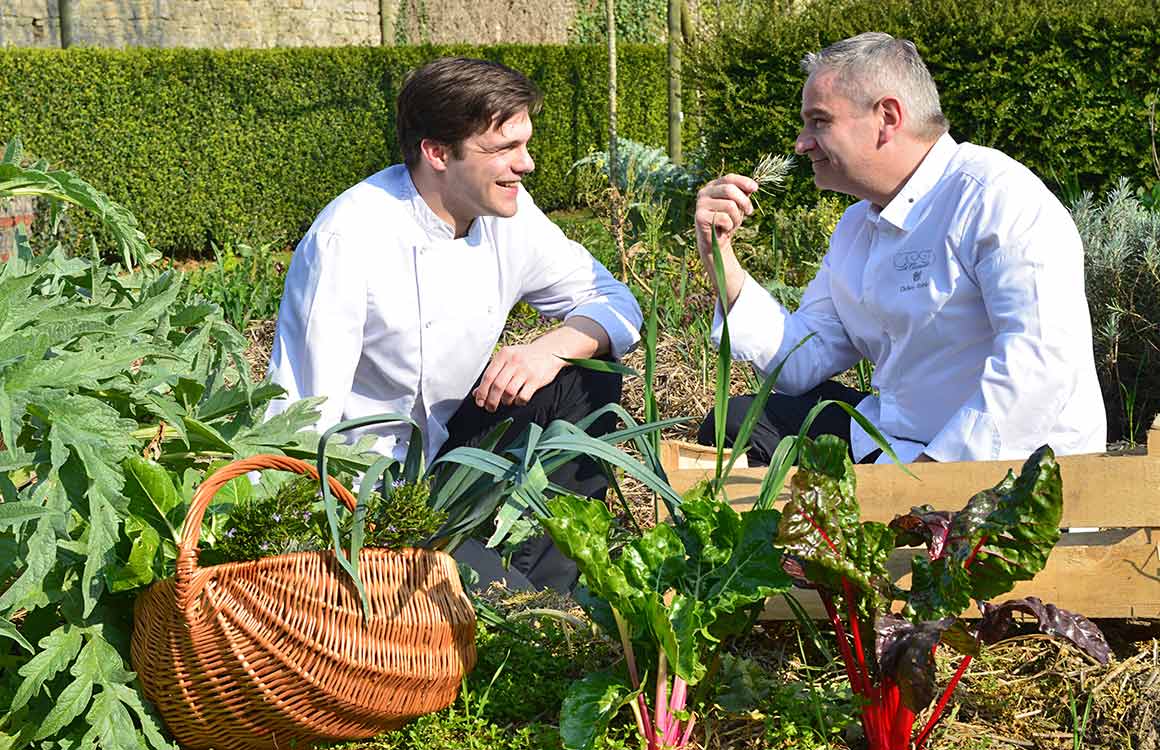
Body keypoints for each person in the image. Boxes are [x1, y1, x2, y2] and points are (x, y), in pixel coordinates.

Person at [266, 57, 642, 591]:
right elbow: (303, 416)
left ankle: (550, 585)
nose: (527, 165)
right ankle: (509, 596)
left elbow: (617, 302)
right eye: (504, 150)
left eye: (525, 144)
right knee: (465, 588)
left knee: (590, 371)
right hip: (368, 487)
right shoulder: (348, 240)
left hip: (451, 447)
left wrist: (550, 349)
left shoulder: (510, 216)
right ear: (438, 153)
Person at [693, 32, 1105, 465]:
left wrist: (930, 481)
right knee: (736, 422)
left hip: (1015, 472)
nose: (802, 142)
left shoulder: (996, 197)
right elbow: (800, 361)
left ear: (887, 117)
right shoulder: (857, 226)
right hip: (896, 445)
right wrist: (720, 255)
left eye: (819, 121)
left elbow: (1039, 370)